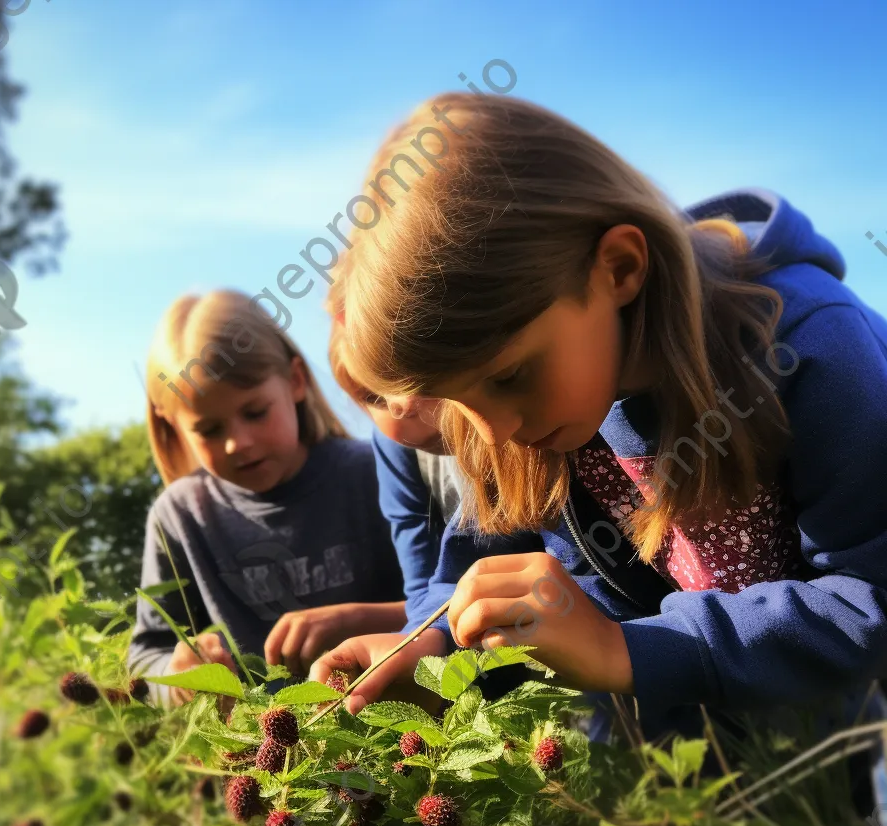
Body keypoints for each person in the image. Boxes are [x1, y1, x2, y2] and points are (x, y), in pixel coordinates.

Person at [312, 91, 887, 775]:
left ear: (618, 267)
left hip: (848, 761)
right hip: (688, 775)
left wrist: (622, 650)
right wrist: (431, 648)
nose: (492, 430)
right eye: (453, 400)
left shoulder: (811, 346)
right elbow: (485, 571)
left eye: (508, 375)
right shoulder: (521, 411)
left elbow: (868, 597)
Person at [127, 289, 405, 705]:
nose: (238, 443)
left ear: (295, 381)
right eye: (209, 430)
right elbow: (146, 656)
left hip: (392, 739)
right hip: (260, 759)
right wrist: (178, 674)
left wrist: (360, 620)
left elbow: (445, 601)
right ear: (172, 423)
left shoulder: (374, 473)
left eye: (255, 412)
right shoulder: (180, 517)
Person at [327, 280, 463, 631]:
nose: (400, 405)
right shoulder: (396, 449)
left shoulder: (511, 423)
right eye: (374, 396)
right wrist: (416, 645)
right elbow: (422, 584)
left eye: (412, 375)